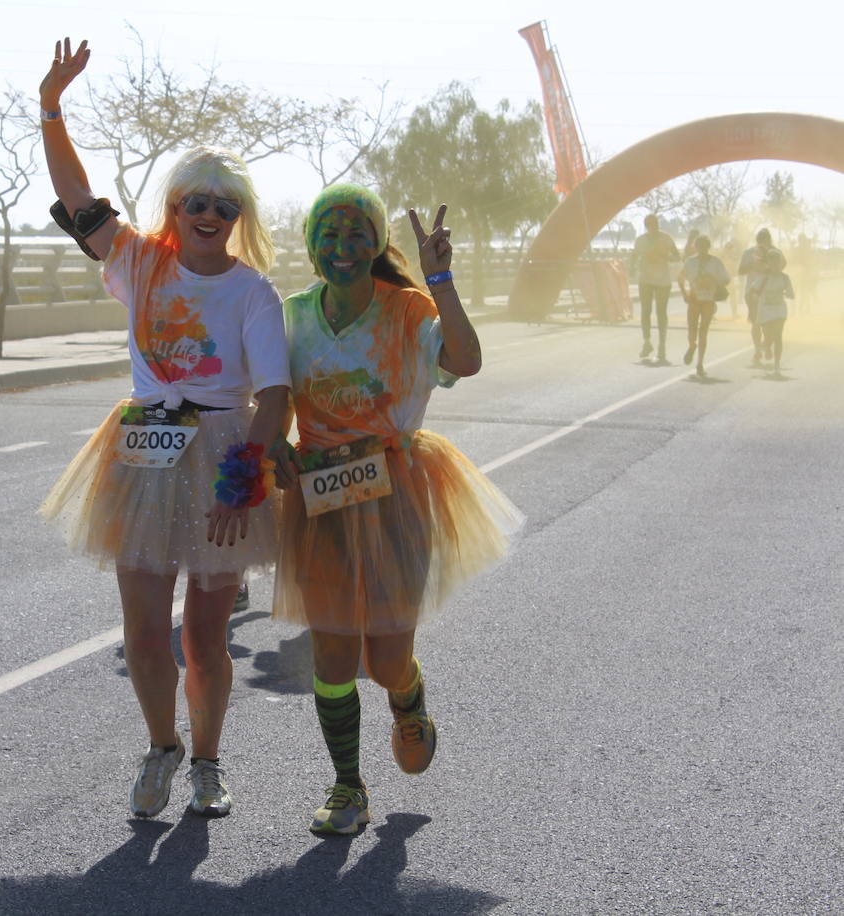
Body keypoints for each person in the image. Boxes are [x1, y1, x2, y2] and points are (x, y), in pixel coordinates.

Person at [36, 38, 290, 820]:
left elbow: (275, 397)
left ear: (238, 218)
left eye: (226, 205)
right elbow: (77, 195)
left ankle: (209, 762)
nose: (210, 215)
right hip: (145, 451)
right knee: (143, 631)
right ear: (174, 208)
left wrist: (241, 482)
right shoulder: (139, 262)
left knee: (205, 637)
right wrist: (51, 106)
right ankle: (161, 746)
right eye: (196, 202)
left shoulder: (254, 293)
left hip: (222, 453)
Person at [270, 185, 523, 835]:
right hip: (321, 500)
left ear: (378, 243)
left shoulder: (410, 311)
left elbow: (464, 360)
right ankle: (348, 787)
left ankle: (408, 699)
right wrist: (270, 445)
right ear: (311, 246)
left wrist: (440, 279)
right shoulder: (293, 314)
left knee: (382, 662)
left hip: (396, 496)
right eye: (328, 235)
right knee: (331, 658)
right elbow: (274, 402)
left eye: (357, 235)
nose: (342, 248)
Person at [677, 235, 731, 377]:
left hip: (708, 299)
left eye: (704, 246)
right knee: (692, 328)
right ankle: (692, 346)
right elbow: (680, 278)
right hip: (694, 298)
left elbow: (726, 279)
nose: (702, 249)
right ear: (696, 247)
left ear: (708, 247)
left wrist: (713, 282)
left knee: (704, 330)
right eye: (699, 246)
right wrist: (684, 294)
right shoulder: (690, 262)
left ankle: (700, 363)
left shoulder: (716, 262)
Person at [630, 214, 681, 361]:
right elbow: (634, 255)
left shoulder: (666, 238)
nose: (653, 227)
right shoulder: (640, 240)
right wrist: (632, 268)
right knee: (645, 311)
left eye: (655, 224)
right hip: (646, 279)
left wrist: (664, 257)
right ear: (646, 226)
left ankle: (662, 345)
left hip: (663, 281)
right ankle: (647, 342)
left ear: (657, 224)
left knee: (661, 312)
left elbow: (677, 256)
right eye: (650, 224)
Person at [738, 229, 786, 367]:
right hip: (753, 292)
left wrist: (770, 268)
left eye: (765, 240)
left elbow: (783, 265)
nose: (763, 243)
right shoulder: (749, 253)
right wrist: (753, 266)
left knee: (764, 322)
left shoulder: (775, 252)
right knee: (756, 322)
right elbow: (740, 270)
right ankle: (758, 349)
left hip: (769, 293)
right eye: (762, 241)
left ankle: (764, 346)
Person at [755, 248, 794, 376]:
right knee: (768, 336)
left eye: (777, 262)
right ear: (768, 263)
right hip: (766, 310)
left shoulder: (785, 278)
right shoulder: (763, 277)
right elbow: (754, 290)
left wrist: (788, 293)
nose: (775, 265)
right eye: (772, 262)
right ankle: (766, 346)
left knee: (778, 336)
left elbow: (791, 294)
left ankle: (776, 365)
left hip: (779, 311)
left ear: (780, 263)